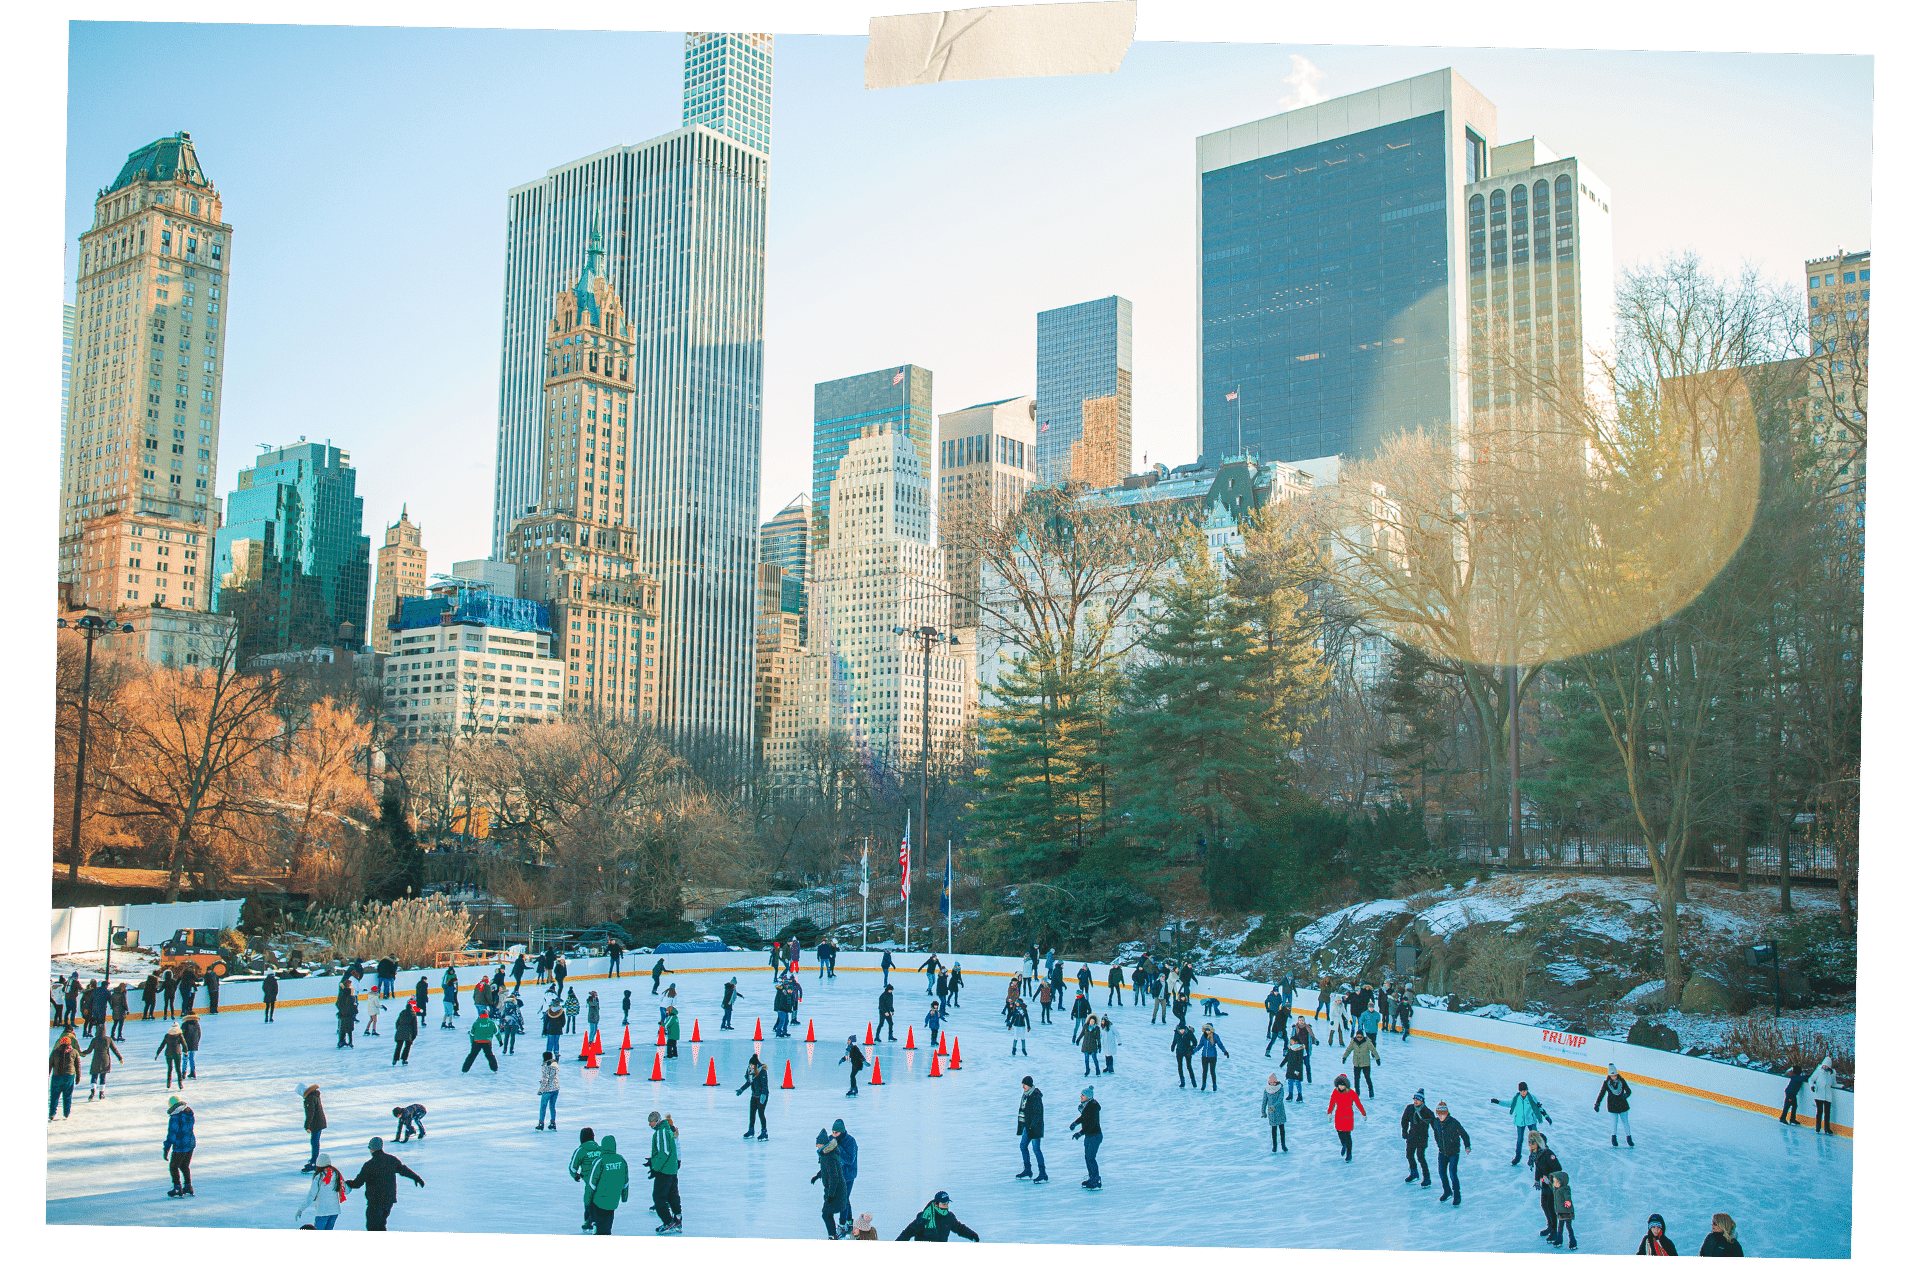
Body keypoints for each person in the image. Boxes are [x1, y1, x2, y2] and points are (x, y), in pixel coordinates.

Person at [346, 1137, 424, 1232]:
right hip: (388, 1201)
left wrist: (348, 1183)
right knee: (381, 1225)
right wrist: (416, 1178)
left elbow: (357, 1183)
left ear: (372, 1149)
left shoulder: (369, 1165)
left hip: (375, 1202)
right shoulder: (391, 1160)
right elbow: (403, 1170)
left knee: (373, 1227)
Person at [1492, 1082, 1551, 1164]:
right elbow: (1509, 1104)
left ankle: (1533, 1157)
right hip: (1519, 1122)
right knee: (1520, 1140)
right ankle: (1517, 1156)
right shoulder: (1516, 1098)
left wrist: (1546, 1116)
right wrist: (1498, 1102)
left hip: (1531, 1121)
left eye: (1525, 1090)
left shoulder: (1532, 1098)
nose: (1523, 1092)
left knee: (1535, 1139)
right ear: (1519, 1091)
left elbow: (1539, 1107)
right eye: (1522, 1091)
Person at [648, 1111, 683, 1234]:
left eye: (650, 1122)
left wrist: (655, 1167)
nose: (649, 1125)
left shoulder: (661, 1132)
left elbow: (664, 1152)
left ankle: (668, 1222)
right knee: (672, 1194)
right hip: (671, 1168)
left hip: (665, 1170)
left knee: (658, 1196)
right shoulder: (666, 1129)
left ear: (656, 1121)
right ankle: (678, 1220)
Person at [896, 1191, 979, 1242]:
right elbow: (908, 1232)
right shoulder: (925, 1217)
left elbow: (960, 1228)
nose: (945, 1206)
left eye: (947, 1203)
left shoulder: (949, 1217)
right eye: (943, 1204)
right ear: (936, 1204)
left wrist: (972, 1235)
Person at [813, 1128, 850, 1239]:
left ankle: (833, 1236)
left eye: (818, 1144)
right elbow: (828, 1170)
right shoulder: (828, 1154)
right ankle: (833, 1235)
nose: (817, 1146)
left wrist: (830, 1194)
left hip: (836, 1191)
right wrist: (818, 1176)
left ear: (823, 1144)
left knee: (826, 1214)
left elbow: (834, 1177)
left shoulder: (827, 1157)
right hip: (837, 1189)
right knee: (828, 1214)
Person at [295, 1152, 348, 1229]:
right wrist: (351, 1183)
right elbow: (346, 1190)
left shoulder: (319, 1177)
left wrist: (301, 1209)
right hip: (334, 1211)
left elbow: (311, 1195)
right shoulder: (336, 1174)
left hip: (323, 1211)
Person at [1432, 1101, 1471, 1206]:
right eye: (1438, 1114)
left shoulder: (1453, 1122)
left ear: (1447, 1113)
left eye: (1442, 1114)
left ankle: (1457, 1196)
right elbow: (1435, 1133)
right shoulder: (1435, 1122)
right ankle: (1447, 1192)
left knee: (1452, 1174)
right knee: (1441, 1173)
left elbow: (1464, 1134)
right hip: (1442, 1152)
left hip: (1454, 1152)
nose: (1440, 1116)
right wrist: (1439, 1144)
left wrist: (1467, 1146)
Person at [1527, 1133, 1562, 1241]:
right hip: (1545, 1183)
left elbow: (1558, 1168)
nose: (1530, 1145)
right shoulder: (1536, 1154)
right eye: (1529, 1142)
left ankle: (1554, 1231)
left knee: (1551, 1207)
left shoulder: (1548, 1154)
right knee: (1544, 1205)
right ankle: (1550, 1226)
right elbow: (1538, 1169)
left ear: (1538, 1142)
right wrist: (1537, 1180)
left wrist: (1550, 1178)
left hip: (1552, 1185)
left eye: (1532, 1142)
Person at [1327, 1072, 1366, 1162]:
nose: (1341, 1087)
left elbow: (1358, 1103)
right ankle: (1343, 1144)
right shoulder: (1335, 1092)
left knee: (1347, 1135)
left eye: (1343, 1085)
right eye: (1340, 1085)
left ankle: (1349, 1154)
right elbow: (1332, 1103)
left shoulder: (1351, 1093)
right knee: (1339, 1132)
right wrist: (1329, 1113)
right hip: (1339, 1115)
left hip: (1348, 1116)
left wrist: (1363, 1113)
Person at [570, 1128, 603, 1231]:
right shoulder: (600, 1149)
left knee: (588, 1200)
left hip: (589, 1181)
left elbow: (572, 1168)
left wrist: (576, 1176)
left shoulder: (581, 1150)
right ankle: (597, 1220)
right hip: (602, 1180)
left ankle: (589, 1221)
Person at [163, 1096, 196, 1197]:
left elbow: (172, 1135)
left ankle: (177, 1188)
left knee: (173, 1167)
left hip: (180, 1146)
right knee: (184, 1165)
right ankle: (188, 1186)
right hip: (190, 1143)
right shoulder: (189, 1112)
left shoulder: (175, 1117)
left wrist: (166, 1148)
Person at [1593, 1064, 1634, 1146]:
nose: (1614, 1077)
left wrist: (1624, 1096)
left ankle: (1629, 1138)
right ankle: (1614, 1138)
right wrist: (1597, 1103)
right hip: (1612, 1106)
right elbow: (1602, 1093)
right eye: (1612, 1076)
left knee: (1625, 1122)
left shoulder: (1621, 1081)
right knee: (1614, 1123)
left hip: (1622, 1105)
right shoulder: (1606, 1083)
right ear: (1609, 1076)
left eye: (1615, 1075)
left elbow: (1629, 1091)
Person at [1070, 1086, 1103, 1188]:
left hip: (1095, 1136)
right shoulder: (1087, 1106)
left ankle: (1096, 1180)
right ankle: (1092, 1178)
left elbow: (1091, 1124)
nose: (1081, 1096)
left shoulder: (1092, 1107)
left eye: (1083, 1095)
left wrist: (1080, 1133)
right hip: (1089, 1136)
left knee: (1090, 1157)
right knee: (1087, 1157)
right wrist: (1075, 1123)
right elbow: (1083, 1117)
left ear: (1088, 1096)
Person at [1016, 1076, 1048, 1181]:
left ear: (1030, 1085)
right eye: (1023, 1084)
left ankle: (1043, 1173)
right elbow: (1023, 1111)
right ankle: (1027, 1170)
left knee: (1036, 1149)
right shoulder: (1025, 1096)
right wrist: (1023, 1126)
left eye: (1025, 1084)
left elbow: (1037, 1114)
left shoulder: (1036, 1096)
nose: (1023, 1086)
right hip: (1027, 1126)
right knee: (1023, 1146)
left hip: (1035, 1127)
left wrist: (1032, 1127)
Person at [1401, 1089, 1436, 1185]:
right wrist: (1404, 1131)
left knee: (1420, 1156)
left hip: (1422, 1138)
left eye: (1418, 1100)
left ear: (1422, 1101)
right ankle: (1414, 1172)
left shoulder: (1428, 1112)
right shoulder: (1409, 1108)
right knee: (1409, 1154)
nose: (1415, 1101)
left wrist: (1440, 1139)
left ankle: (1427, 1178)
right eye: (1414, 1099)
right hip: (1412, 1136)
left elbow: (1435, 1127)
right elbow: (1404, 1120)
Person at [48, 1031, 83, 1120]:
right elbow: (77, 1065)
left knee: (54, 1095)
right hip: (69, 1076)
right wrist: (78, 1077)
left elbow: (49, 1064)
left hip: (56, 1076)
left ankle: (52, 1113)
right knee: (67, 1095)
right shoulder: (74, 1052)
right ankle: (66, 1113)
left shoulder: (55, 1052)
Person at [737, 1057, 770, 1139]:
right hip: (754, 1095)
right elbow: (749, 1082)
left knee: (761, 1113)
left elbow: (765, 1085)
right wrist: (741, 1089)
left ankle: (764, 1132)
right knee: (752, 1113)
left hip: (762, 1095)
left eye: (752, 1065)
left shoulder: (762, 1072)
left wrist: (763, 1095)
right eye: (750, 1064)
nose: (750, 1066)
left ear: (756, 1065)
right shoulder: (751, 1072)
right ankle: (751, 1130)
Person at [84, 1029, 122, 1100]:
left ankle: (92, 1092)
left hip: (96, 1060)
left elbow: (89, 1050)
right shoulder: (108, 1039)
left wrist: (83, 1053)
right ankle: (101, 1093)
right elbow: (114, 1049)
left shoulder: (95, 1040)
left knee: (94, 1076)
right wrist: (120, 1058)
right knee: (103, 1077)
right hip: (105, 1060)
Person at [1342, 1030, 1380, 1097]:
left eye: (1360, 1037)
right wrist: (1344, 1057)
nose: (1359, 1038)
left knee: (1367, 1078)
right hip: (1357, 1064)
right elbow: (1348, 1050)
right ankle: (1357, 1092)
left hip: (1366, 1064)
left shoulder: (1367, 1042)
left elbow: (1373, 1050)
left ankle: (1371, 1091)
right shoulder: (1353, 1042)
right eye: (1358, 1037)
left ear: (1363, 1036)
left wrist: (1377, 1058)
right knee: (1356, 1079)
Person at [1547, 1165, 1577, 1249]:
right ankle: (1559, 1240)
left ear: (1562, 1182)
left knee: (1568, 1227)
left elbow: (1567, 1196)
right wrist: (1547, 1181)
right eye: (1554, 1182)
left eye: (1557, 1182)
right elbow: (1551, 1187)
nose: (1555, 1184)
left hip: (1567, 1212)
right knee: (1559, 1227)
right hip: (1560, 1212)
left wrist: (1568, 1202)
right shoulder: (1556, 1189)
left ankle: (1573, 1241)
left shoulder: (1565, 1189)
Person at [299, 1082, 327, 1171]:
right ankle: (314, 1160)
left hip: (316, 1123)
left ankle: (314, 1163)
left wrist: (307, 1126)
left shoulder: (309, 1099)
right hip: (319, 1122)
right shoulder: (314, 1096)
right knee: (315, 1141)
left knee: (314, 1142)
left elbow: (310, 1113)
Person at [463, 1006, 500, 1072]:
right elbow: (497, 1032)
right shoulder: (491, 1022)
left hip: (477, 1042)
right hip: (487, 1042)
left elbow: (471, 1034)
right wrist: (500, 1041)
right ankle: (495, 1068)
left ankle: (465, 1069)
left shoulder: (476, 1023)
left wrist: (472, 1042)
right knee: (490, 1055)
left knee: (472, 1055)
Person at [1809, 1054, 1837, 1134]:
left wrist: (1841, 1086)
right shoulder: (1818, 1071)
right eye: (1824, 1066)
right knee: (1819, 1111)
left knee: (1827, 1112)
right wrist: (1812, 1086)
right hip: (1819, 1094)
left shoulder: (1832, 1073)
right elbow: (1811, 1079)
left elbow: (1833, 1084)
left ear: (1829, 1067)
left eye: (1826, 1066)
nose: (1825, 1067)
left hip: (1828, 1095)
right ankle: (1818, 1126)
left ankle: (1827, 1128)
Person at [155, 1022, 188, 1090]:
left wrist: (157, 1053)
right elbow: (184, 1044)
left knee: (169, 1069)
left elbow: (162, 1045)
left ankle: (169, 1082)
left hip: (168, 1053)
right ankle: (180, 1083)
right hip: (177, 1053)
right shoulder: (179, 1035)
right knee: (178, 1069)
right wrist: (185, 1051)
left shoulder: (167, 1035)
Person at [1261, 1072, 1289, 1153]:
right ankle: (1274, 1146)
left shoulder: (1280, 1088)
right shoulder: (1267, 1090)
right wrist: (1263, 1112)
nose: (1272, 1084)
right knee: (1274, 1130)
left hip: (1280, 1111)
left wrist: (1274, 1106)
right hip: (1271, 1113)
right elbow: (1264, 1101)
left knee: (1282, 1129)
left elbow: (1280, 1100)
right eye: (1271, 1082)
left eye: (1273, 1082)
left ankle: (1283, 1145)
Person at [1290, 1015, 1318, 1086]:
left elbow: (1312, 1037)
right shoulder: (1295, 1028)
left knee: (1307, 1065)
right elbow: (1292, 1039)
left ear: (1304, 1021)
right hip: (1297, 1050)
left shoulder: (1308, 1028)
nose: (1301, 1022)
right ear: (1298, 1021)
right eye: (1300, 1020)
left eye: (1302, 1020)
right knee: (1296, 1065)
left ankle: (1309, 1079)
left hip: (1306, 1050)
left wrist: (1316, 1041)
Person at [1172, 1022, 1199, 1088]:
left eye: (1183, 1030)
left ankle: (1193, 1081)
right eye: (1181, 1030)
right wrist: (1172, 1046)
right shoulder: (1177, 1033)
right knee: (1180, 1066)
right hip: (1179, 1052)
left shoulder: (1189, 1033)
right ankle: (1182, 1081)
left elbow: (1195, 1042)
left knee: (1189, 1066)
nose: (1182, 1031)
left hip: (1187, 1052)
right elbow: (1175, 1040)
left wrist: (1191, 1048)